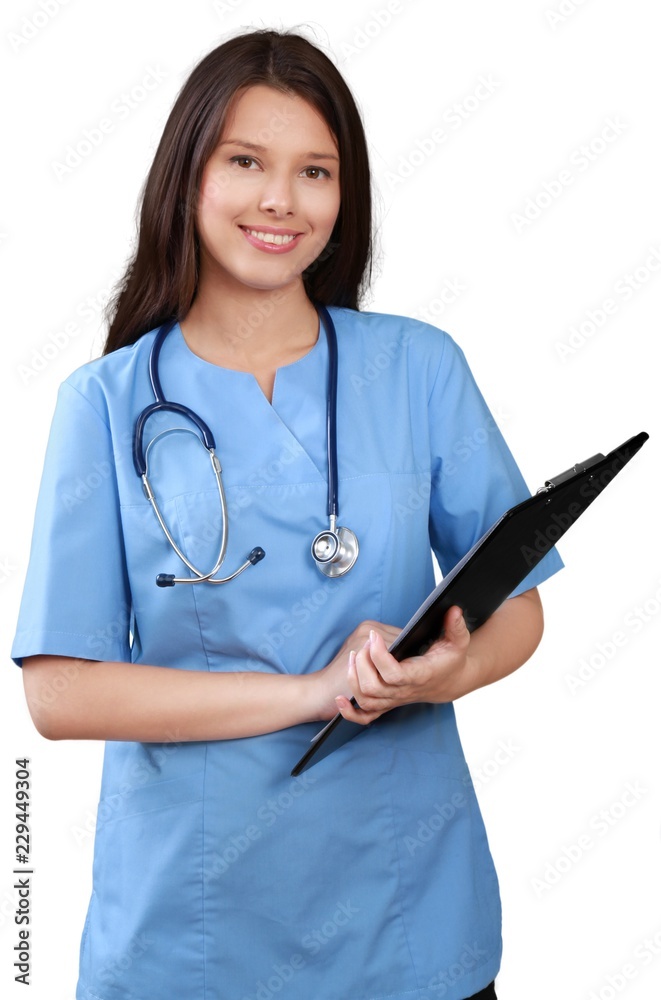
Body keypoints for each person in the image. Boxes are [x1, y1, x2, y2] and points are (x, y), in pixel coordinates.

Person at [12, 27, 562, 1000]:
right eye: (246, 163)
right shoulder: (105, 403)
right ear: (188, 177)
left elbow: (517, 601)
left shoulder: (416, 368)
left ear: (343, 197)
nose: (281, 200)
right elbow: (63, 692)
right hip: (194, 933)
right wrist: (314, 695)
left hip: (410, 917)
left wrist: (446, 670)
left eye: (315, 170)